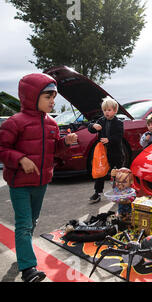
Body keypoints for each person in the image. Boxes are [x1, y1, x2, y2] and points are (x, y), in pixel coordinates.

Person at [0, 73, 78, 281]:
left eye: (54, 97)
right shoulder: (14, 123)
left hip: (41, 182)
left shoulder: (52, 124)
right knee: (24, 224)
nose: (53, 101)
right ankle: (28, 269)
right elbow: (2, 148)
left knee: (32, 221)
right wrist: (20, 159)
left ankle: (23, 253)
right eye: (48, 96)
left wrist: (66, 143)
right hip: (19, 184)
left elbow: (56, 152)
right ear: (31, 96)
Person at [87, 96, 124, 203]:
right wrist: (93, 126)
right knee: (100, 172)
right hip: (103, 152)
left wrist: (109, 139)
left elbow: (119, 136)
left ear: (115, 110)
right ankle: (97, 193)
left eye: (109, 110)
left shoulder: (118, 123)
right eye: (104, 110)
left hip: (115, 153)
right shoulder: (101, 121)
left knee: (117, 173)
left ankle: (120, 192)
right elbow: (90, 128)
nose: (106, 112)